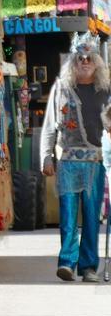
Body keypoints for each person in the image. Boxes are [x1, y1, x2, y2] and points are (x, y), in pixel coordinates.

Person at [41, 33, 110, 282]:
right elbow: (50, 125)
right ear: (73, 60)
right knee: (69, 215)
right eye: (80, 57)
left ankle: (89, 267)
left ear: (96, 61)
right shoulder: (62, 88)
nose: (84, 61)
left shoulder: (107, 91)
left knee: (92, 216)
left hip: (95, 162)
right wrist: (46, 157)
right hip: (68, 161)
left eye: (89, 57)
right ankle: (67, 262)